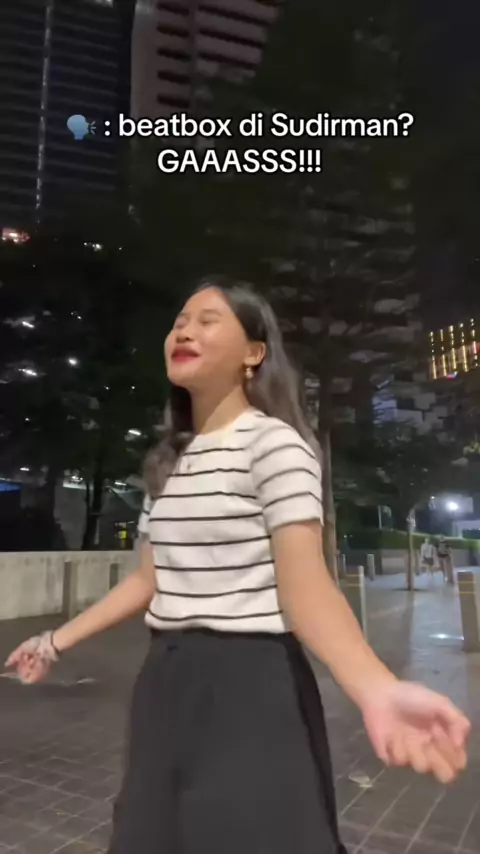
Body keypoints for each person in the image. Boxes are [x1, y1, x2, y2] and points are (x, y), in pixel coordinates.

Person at [5, 279, 470, 854]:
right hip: (165, 681)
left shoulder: (276, 445)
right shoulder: (167, 464)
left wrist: (376, 688)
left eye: (207, 320)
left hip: (250, 681)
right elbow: (148, 581)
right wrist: (53, 641)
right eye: (180, 321)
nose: (184, 331)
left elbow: (306, 587)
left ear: (254, 353)